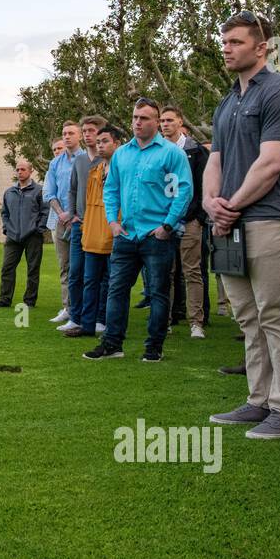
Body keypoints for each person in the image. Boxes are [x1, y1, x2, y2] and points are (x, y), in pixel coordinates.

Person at [206, 11, 280, 440]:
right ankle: (259, 400)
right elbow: (216, 159)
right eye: (225, 41)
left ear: (262, 47)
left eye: (235, 42)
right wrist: (211, 203)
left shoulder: (279, 93)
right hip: (230, 223)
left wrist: (229, 205)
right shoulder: (229, 100)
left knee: (277, 315)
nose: (227, 48)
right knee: (248, 317)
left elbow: (271, 164)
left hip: (271, 221)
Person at [85, 99, 192, 362]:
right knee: (116, 290)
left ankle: (154, 347)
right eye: (135, 117)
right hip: (126, 235)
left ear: (156, 122)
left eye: (144, 118)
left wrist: (167, 225)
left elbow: (183, 191)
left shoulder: (171, 153)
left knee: (157, 292)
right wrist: (112, 221)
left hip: (157, 236)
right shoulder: (122, 154)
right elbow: (111, 190)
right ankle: (112, 344)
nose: (137, 122)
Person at [160, 106, 209, 338]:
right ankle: (165, 320)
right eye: (162, 120)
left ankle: (196, 322)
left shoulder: (196, 151)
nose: (165, 124)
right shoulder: (155, 150)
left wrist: (199, 217)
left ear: (180, 122)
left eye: (170, 120)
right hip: (163, 220)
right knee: (165, 272)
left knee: (192, 271)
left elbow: (203, 186)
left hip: (189, 220)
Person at [60, 116, 106, 337]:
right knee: (76, 272)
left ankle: (99, 318)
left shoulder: (108, 160)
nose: (88, 134)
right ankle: (75, 317)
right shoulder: (79, 161)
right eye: (85, 131)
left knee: (99, 275)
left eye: (91, 131)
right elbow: (72, 190)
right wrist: (73, 214)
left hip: (101, 226)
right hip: (79, 225)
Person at [78, 124, 123, 337]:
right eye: (98, 142)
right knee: (90, 281)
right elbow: (88, 203)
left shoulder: (124, 169)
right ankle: (87, 325)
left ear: (117, 143)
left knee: (113, 283)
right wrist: (86, 226)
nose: (100, 146)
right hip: (93, 233)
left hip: (115, 234)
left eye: (105, 141)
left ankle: (107, 324)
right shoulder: (94, 171)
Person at [43, 123, 86, 323]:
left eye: (71, 133)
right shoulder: (55, 163)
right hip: (60, 220)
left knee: (84, 267)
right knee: (65, 266)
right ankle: (68, 307)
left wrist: (73, 213)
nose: (67, 137)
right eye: (64, 134)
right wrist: (61, 213)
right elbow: (49, 193)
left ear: (80, 136)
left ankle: (85, 308)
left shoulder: (87, 159)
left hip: (83, 220)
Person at [0, 159, 48, 309]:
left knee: (33, 269)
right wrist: (6, 228)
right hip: (12, 236)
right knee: (7, 268)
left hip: (33, 236)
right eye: (17, 170)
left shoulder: (39, 191)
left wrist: (39, 228)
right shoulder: (9, 192)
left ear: (31, 171)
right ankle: (4, 299)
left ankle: (29, 301)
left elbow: (45, 211)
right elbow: (4, 213)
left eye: (23, 169)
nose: (20, 172)